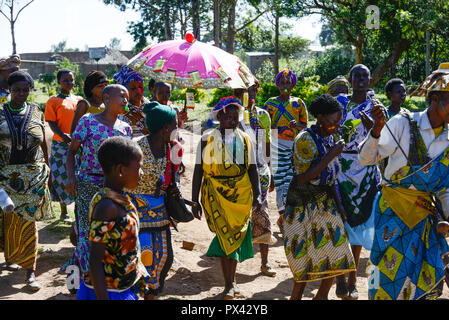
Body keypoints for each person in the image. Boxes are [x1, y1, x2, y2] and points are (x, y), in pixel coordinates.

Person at [359, 63, 449, 300]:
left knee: (426, 281)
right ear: (435, 99)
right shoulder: (402, 124)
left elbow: (445, 190)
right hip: (392, 213)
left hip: (425, 219)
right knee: (384, 278)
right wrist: (377, 131)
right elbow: (367, 158)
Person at [281, 94, 356, 300]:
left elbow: (330, 179)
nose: (337, 126)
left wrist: (340, 209)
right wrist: (331, 154)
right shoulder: (304, 139)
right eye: (333, 122)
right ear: (320, 118)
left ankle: (321, 296)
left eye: (338, 122)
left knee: (336, 253)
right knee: (303, 260)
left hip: (325, 201)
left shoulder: (329, 138)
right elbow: (304, 177)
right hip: (301, 204)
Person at [192, 97, 262, 300]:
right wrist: (194, 200)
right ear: (219, 117)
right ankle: (229, 284)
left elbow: (252, 168)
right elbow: (198, 170)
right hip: (215, 192)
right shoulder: (206, 139)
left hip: (241, 194)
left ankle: (231, 283)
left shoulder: (245, 139)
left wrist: (258, 195)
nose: (232, 121)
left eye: (235, 117)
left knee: (236, 236)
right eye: (228, 117)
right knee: (224, 237)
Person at [61, 84, 133, 280]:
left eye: (127, 97)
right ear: (107, 98)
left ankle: (105, 277)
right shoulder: (88, 122)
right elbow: (71, 152)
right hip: (87, 185)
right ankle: (86, 279)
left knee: (110, 233)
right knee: (86, 233)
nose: (126, 100)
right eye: (122, 96)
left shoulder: (125, 128)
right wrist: (71, 177)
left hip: (114, 189)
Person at [77, 136, 151, 300]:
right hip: (108, 292)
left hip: (122, 287)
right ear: (121, 170)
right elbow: (95, 260)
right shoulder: (107, 207)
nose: (142, 173)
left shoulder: (119, 199)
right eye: (139, 167)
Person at [0, 71, 55, 291]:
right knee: (9, 221)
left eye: (25, 90)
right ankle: (11, 256)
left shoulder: (36, 112)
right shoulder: (0, 114)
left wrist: (48, 168)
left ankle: (30, 273)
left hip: (33, 176)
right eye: (17, 90)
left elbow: (43, 142)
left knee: (29, 224)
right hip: (5, 177)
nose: (21, 94)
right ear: (9, 90)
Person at [334, 64, 379, 300]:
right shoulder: (339, 103)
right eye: (356, 75)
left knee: (359, 225)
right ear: (350, 80)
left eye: (364, 76)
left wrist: (374, 128)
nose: (360, 79)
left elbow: (385, 137)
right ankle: (340, 277)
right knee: (341, 223)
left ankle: (352, 280)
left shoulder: (376, 106)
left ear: (370, 80)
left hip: (366, 169)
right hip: (340, 166)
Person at [127, 101, 181, 300]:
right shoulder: (136, 146)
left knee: (164, 258)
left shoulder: (174, 148)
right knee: (139, 257)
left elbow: (175, 178)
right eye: (175, 124)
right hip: (135, 213)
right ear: (165, 127)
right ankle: (138, 294)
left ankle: (152, 294)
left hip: (160, 213)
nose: (177, 128)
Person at [235, 82, 277, 277]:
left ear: (256, 92)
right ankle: (232, 263)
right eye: (242, 90)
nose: (247, 93)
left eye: (251, 89)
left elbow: (267, 144)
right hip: (236, 172)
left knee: (262, 212)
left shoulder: (262, 116)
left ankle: (265, 262)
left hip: (260, 169)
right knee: (238, 217)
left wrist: (271, 171)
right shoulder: (230, 114)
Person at [262, 69, 308, 221]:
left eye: (288, 82)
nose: (285, 85)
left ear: (293, 85)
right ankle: (284, 216)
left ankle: (286, 217)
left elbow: (305, 126)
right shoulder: (270, 104)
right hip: (275, 147)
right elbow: (264, 126)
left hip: (293, 147)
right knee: (280, 181)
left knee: (290, 181)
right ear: (277, 84)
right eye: (282, 82)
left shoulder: (298, 103)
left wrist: (297, 125)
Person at [45, 69, 82, 222]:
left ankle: (79, 210)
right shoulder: (53, 100)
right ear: (59, 82)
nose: (69, 83)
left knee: (78, 174)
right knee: (61, 176)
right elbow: (51, 122)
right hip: (60, 144)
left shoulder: (80, 100)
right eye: (66, 80)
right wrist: (63, 135)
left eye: (71, 80)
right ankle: (64, 211)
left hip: (78, 143)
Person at [114, 65, 149, 137]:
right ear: (124, 91)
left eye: (140, 86)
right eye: (133, 88)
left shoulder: (148, 104)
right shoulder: (121, 110)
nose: (138, 91)